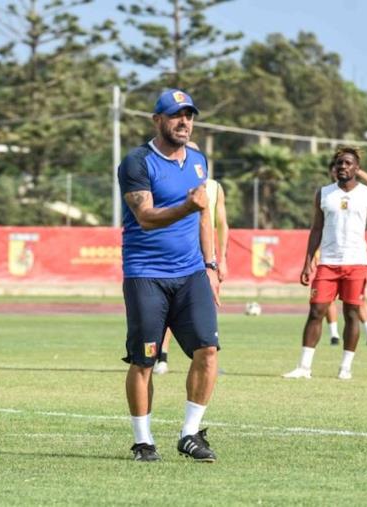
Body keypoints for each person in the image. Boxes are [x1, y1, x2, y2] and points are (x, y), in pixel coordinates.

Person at [119, 89, 221, 462]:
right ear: (157, 120)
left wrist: (210, 266)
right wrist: (187, 206)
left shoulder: (198, 160)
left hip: (191, 272)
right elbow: (145, 217)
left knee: (208, 351)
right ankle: (143, 441)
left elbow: (204, 215)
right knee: (145, 360)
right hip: (145, 274)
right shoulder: (137, 162)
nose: (184, 122)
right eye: (176, 115)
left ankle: (190, 434)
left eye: (189, 115)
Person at [284, 146, 367, 380]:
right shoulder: (324, 193)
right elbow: (316, 229)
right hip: (328, 263)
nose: (343, 167)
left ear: (357, 168)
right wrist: (308, 262)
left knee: (351, 314)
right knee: (316, 310)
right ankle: (304, 367)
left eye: (348, 163)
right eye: (340, 163)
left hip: (356, 262)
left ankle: (345, 367)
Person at [154, 144, 228, 376]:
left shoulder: (215, 187)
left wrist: (220, 258)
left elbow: (221, 223)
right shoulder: (169, 183)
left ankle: (206, 360)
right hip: (178, 257)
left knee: (206, 308)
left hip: (204, 258)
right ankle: (161, 358)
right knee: (167, 308)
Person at [320, 165, 367, 347]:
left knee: (358, 300)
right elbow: (317, 227)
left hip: (354, 256)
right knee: (326, 300)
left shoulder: (360, 193)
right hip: (330, 254)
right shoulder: (328, 194)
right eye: (335, 169)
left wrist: (358, 171)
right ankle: (334, 334)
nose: (340, 170)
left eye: (346, 165)